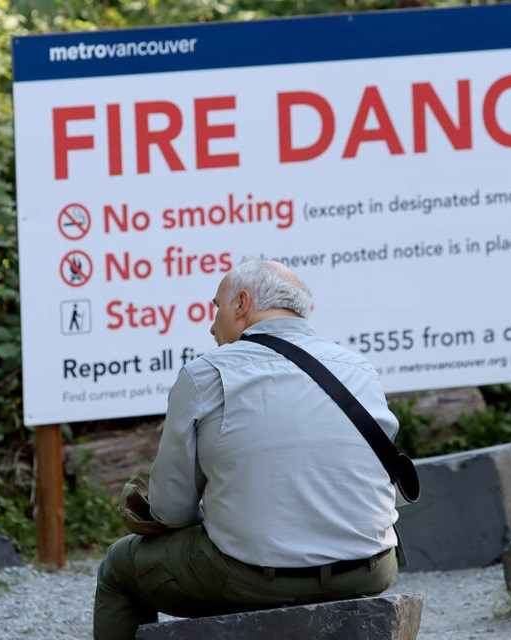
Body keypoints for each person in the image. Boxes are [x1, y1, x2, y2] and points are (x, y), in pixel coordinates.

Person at [93, 259, 402, 640]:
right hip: (370, 568)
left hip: (254, 576)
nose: (211, 325)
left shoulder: (205, 373)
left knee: (119, 567)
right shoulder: (359, 368)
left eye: (216, 306)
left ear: (241, 304)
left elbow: (172, 511)